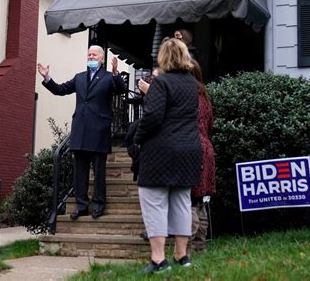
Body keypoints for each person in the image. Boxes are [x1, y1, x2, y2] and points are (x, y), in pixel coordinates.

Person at [135, 38, 201, 273]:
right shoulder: (192, 84)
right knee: (182, 202)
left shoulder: (161, 83)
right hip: (189, 149)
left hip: (161, 150)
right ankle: (182, 256)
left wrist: (137, 136)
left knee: (154, 201)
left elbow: (152, 117)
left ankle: (158, 260)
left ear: (163, 57)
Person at [37, 46, 126, 220]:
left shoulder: (108, 77)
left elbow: (121, 90)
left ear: (101, 59)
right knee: (80, 172)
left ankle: (99, 205)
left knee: (99, 171)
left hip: (99, 130)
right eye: (88, 54)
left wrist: (116, 73)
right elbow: (60, 90)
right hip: (80, 130)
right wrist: (47, 77)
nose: (90, 57)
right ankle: (82, 205)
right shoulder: (79, 78)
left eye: (94, 55)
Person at [188, 61, 216, 253]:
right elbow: (210, 124)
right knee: (200, 200)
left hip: (191, 148)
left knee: (188, 199)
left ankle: (186, 247)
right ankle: (200, 245)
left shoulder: (187, 96)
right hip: (207, 148)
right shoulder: (204, 96)